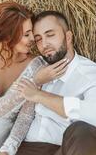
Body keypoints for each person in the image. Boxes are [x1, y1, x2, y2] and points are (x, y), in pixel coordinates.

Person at [0, 3, 68, 155]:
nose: (33, 39)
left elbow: (26, 116)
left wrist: (8, 148)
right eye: (26, 34)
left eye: (32, 33)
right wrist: (35, 81)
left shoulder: (36, 65)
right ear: (8, 36)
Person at [10, 11, 96, 155]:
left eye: (50, 35)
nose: (44, 44)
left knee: (83, 131)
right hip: (25, 148)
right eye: (38, 39)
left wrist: (39, 95)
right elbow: (6, 107)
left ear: (68, 37)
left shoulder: (89, 73)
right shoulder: (36, 67)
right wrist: (36, 81)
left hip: (62, 149)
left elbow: (93, 114)